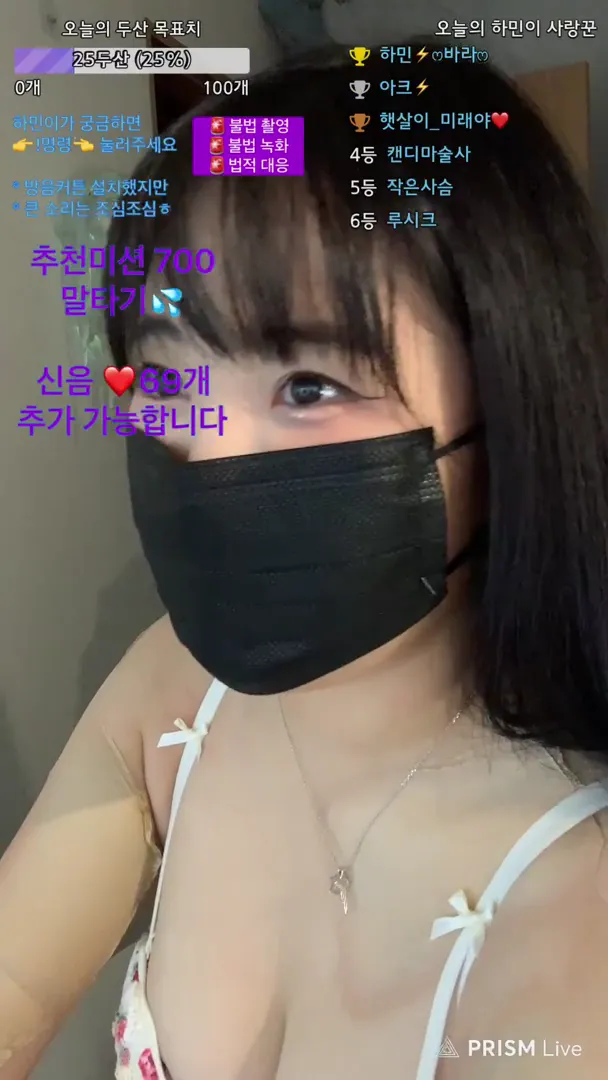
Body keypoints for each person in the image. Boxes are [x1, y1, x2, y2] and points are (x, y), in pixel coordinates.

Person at [2, 41, 608, 1080]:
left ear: (510, 398)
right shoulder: (172, 693)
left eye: (308, 388)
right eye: (167, 384)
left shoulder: (574, 931)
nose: (208, 458)